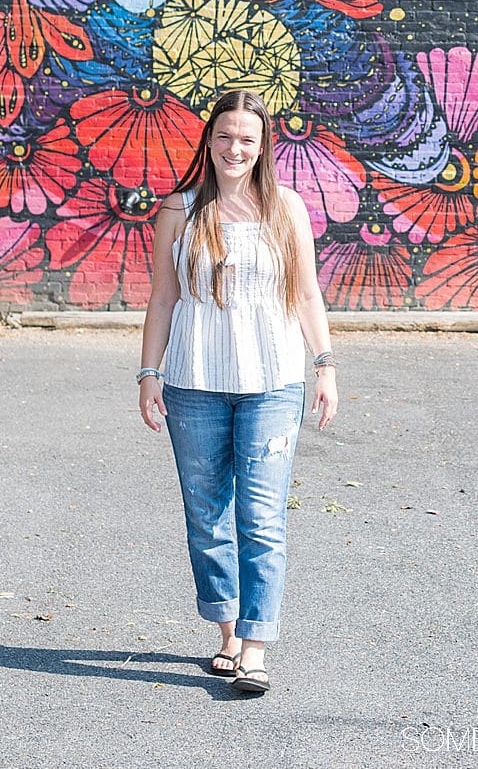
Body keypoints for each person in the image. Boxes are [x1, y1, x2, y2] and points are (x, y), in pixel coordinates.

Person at [137, 86, 338, 696]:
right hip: (194, 383)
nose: (234, 148)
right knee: (207, 516)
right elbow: (163, 298)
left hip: (274, 382)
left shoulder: (287, 210)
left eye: (247, 139)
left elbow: (306, 295)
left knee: (263, 518)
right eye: (224, 136)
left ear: (262, 146)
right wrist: (149, 374)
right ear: (209, 140)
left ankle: (255, 647)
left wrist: (325, 363)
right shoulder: (179, 209)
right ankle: (225, 635)